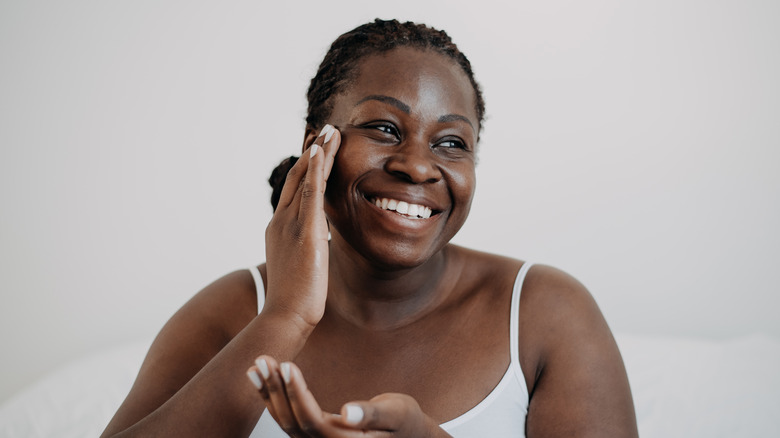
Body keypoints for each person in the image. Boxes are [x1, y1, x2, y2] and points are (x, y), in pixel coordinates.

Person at [101, 19, 638, 438]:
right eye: (383, 128)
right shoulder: (231, 311)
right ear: (319, 145)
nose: (419, 166)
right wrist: (286, 317)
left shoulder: (545, 312)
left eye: (451, 142)